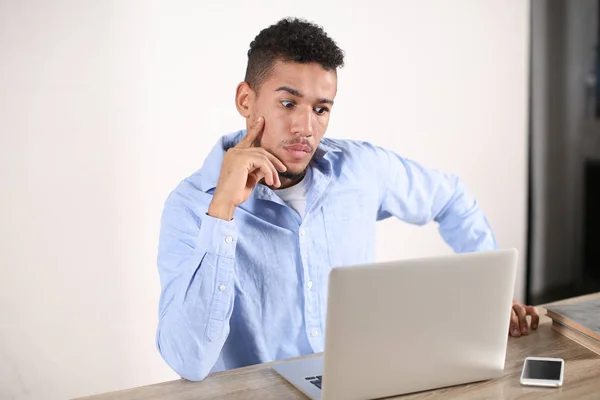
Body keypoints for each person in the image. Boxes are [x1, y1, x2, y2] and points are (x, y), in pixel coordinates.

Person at [156, 17, 539, 381]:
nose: (306, 128)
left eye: (321, 109)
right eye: (288, 103)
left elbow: (450, 198)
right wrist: (221, 211)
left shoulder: (359, 170)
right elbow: (190, 361)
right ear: (246, 101)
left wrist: (493, 300)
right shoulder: (192, 207)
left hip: (361, 385)